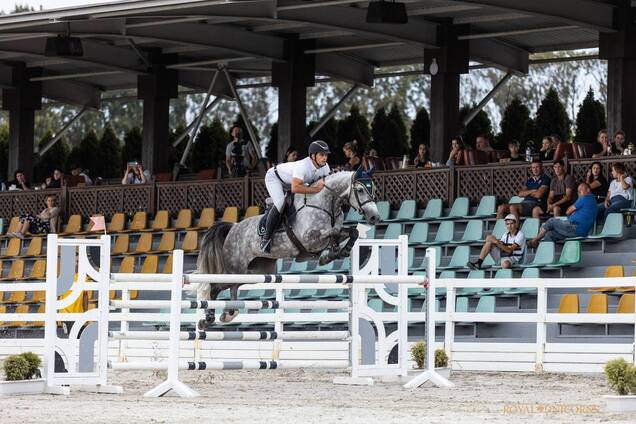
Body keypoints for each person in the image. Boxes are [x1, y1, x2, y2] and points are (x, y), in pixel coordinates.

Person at [261, 140, 331, 253]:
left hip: (292, 181)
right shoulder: (303, 166)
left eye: (326, 155)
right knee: (280, 203)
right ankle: (266, 239)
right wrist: (315, 189)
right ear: (313, 156)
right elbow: (295, 188)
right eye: (322, 155)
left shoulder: (325, 167)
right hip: (275, 178)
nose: (325, 158)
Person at [527, 183, 598, 246]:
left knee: (552, 221)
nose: (579, 193)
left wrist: (573, 211)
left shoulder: (585, 198)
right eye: (578, 191)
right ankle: (545, 257)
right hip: (576, 231)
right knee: (550, 234)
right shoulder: (592, 200)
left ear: (588, 190)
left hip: (575, 228)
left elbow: (568, 211)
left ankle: (535, 240)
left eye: (581, 190)